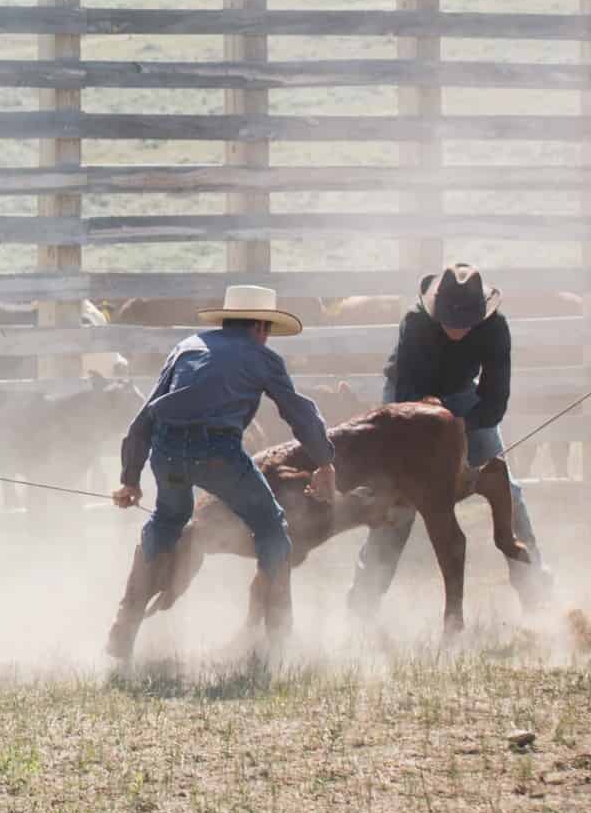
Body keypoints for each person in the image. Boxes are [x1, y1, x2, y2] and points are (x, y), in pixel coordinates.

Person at [106, 285, 338, 660]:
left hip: (166, 450)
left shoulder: (187, 346)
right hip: (218, 452)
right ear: (262, 326)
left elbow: (146, 415)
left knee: (167, 520)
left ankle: (124, 623)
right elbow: (298, 413)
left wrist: (130, 477)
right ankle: (279, 636)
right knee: (270, 527)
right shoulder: (263, 359)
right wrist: (324, 462)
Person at [346, 264, 552, 613]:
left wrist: (460, 429)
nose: (457, 329)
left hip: (463, 400)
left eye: (465, 322)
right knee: (398, 500)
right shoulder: (415, 324)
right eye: (450, 321)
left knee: (507, 489)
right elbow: (406, 394)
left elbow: (495, 400)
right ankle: (365, 598)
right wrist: (437, 433)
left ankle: (535, 584)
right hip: (408, 404)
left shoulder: (495, 329)